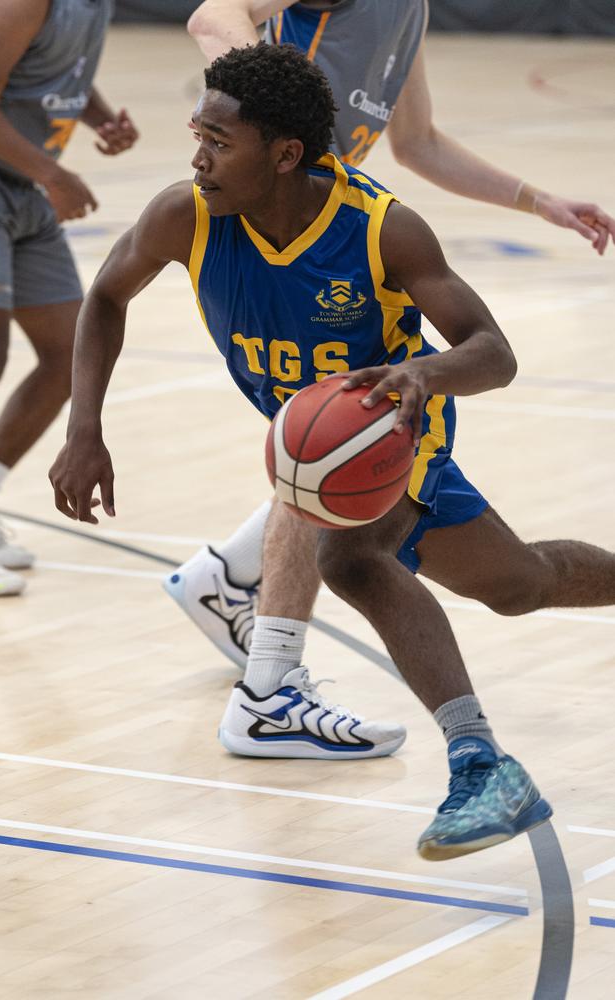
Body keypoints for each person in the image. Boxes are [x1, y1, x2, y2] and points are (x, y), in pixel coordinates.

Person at [50, 43, 614, 859]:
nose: (199, 156)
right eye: (197, 134)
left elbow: (494, 352)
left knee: (348, 559)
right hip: (321, 444)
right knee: (520, 584)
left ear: (284, 154)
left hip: (394, 425)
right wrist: (84, 428)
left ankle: (481, 763)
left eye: (218, 140)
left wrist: (425, 372)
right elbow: (104, 295)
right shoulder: (187, 214)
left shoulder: (382, 229)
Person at [164, 0, 615, 669]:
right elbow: (213, 16)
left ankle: (228, 579)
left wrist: (536, 199)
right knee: (329, 428)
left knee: (334, 439)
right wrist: (272, 97)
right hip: (272, 217)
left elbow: (419, 143)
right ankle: (270, 681)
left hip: (331, 230)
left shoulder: (409, 10)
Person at [0, 0, 138, 597]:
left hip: (21, 180)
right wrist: (53, 174)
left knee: (69, 352)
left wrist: (99, 118)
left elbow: (60, 70)